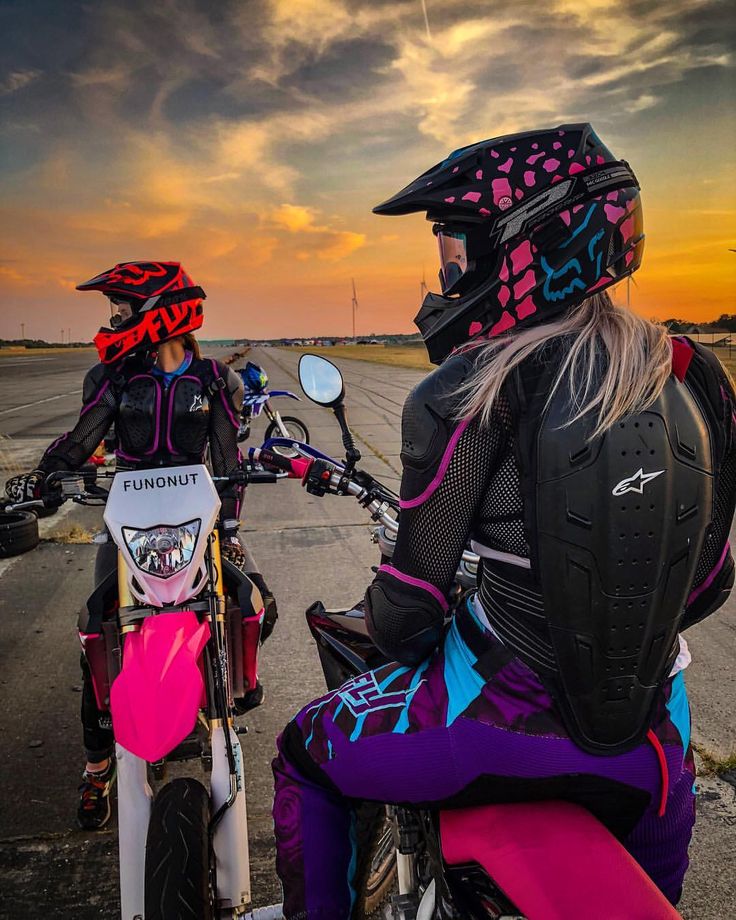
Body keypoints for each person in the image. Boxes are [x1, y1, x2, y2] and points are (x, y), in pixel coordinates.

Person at [271, 124, 736, 917]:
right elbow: (710, 583)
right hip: (656, 759)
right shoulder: (694, 378)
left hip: (492, 727)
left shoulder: (472, 392)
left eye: (458, 251)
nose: (448, 278)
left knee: (301, 755)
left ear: (528, 246)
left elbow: (409, 611)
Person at [6, 261, 277, 830]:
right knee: (99, 627)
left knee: (256, 602)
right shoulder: (113, 378)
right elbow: (84, 436)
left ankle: (230, 689)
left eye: (121, 309)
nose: (112, 321)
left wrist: (230, 526)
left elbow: (226, 461)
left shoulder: (211, 381)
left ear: (160, 310)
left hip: (196, 521)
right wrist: (45, 475)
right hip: (129, 523)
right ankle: (99, 765)